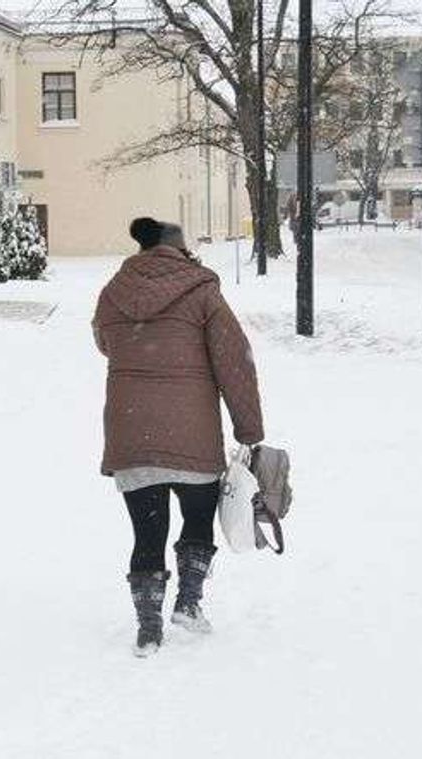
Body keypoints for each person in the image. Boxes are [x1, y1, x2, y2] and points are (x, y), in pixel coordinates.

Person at [92, 217, 264, 657]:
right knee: (197, 517)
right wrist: (249, 429)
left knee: (146, 534)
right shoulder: (201, 291)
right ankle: (188, 603)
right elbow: (235, 363)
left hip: (132, 433)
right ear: (180, 249)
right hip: (191, 433)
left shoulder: (114, 292)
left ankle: (148, 628)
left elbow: (105, 343)